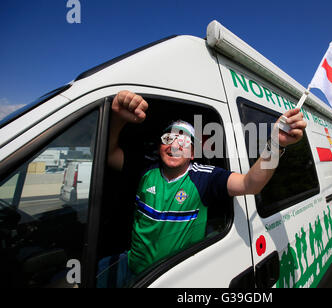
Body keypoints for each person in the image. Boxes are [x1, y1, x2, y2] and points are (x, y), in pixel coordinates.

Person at [101, 90, 307, 286]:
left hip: (168, 279)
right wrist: (118, 118)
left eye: (183, 141)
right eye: (168, 139)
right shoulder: (145, 168)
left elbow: (250, 184)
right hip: (130, 267)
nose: (174, 145)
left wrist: (275, 145)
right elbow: (109, 155)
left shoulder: (204, 177)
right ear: (160, 146)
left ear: (192, 154)